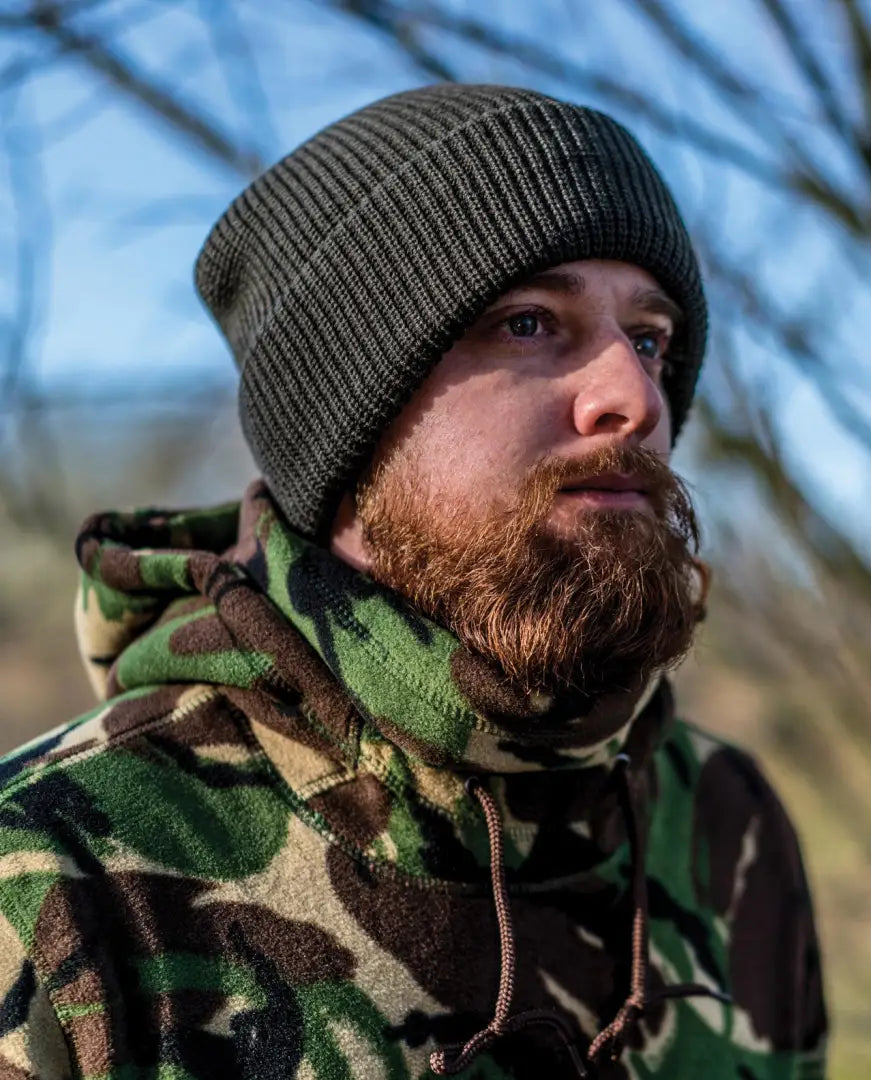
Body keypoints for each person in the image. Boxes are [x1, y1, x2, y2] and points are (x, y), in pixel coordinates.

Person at [0, 84, 827, 1079]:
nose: (634, 396)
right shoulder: (55, 874)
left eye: (649, 339)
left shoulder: (726, 821)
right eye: (529, 323)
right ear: (349, 427)